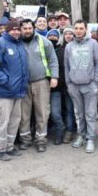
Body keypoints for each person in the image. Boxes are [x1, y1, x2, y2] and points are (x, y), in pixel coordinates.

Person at [0, 19, 29, 161]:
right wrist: (7, 81)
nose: (16, 32)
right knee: (2, 121)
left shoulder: (19, 44)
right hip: (3, 92)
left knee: (14, 120)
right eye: (13, 29)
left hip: (18, 91)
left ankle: (9, 146)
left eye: (18, 29)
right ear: (7, 30)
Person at [19, 19, 59, 152]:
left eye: (30, 28)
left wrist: (54, 76)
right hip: (22, 84)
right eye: (25, 28)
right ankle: (25, 139)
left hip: (41, 82)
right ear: (21, 29)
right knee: (24, 114)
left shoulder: (43, 41)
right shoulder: (16, 41)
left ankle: (41, 140)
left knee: (42, 112)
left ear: (34, 28)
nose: (27, 31)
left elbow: (53, 59)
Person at [64, 19, 98, 153]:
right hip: (74, 86)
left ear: (85, 29)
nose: (79, 30)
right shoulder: (69, 46)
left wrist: (96, 82)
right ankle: (81, 135)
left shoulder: (93, 44)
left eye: (81, 28)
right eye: (76, 28)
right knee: (78, 113)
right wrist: (69, 83)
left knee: (90, 114)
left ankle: (90, 139)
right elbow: (66, 66)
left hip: (90, 85)